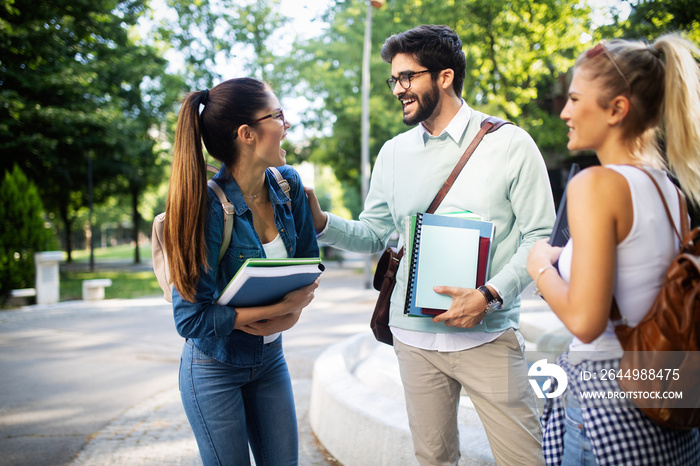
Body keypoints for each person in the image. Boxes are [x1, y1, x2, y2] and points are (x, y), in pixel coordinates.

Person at [306, 25, 554, 465]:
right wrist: (322, 222)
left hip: (489, 338)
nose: (398, 89)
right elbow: (371, 233)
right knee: (433, 459)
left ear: (444, 77)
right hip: (414, 341)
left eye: (408, 77)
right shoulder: (394, 153)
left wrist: (489, 296)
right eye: (394, 79)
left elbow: (539, 237)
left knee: (526, 459)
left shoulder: (512, 144)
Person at [526, 35, 700, 465]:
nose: (565, 112)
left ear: (617, 109)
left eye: (575, 99)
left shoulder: (596, 184)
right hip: (664, 390)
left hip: (608, 399)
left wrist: (540, 267)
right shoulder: (668, 190)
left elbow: (586, 322)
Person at [164, 77, 320, 466]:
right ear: (247, 134)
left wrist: (293, 313)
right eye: (278, 115)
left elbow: (308, 268)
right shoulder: (208, 210)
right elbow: (189, 318)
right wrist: (271, 314)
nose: (287, 124)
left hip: (270, 361)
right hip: (213, 368)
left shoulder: (289, 186)